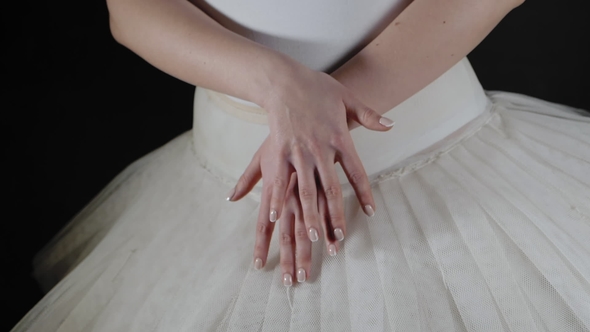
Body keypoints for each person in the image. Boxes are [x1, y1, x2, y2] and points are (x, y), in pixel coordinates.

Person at [11, 0, 590, 330]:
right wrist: (281, 87)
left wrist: (323, 112)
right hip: (221, 181)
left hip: (441, 162)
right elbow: (133, 8)